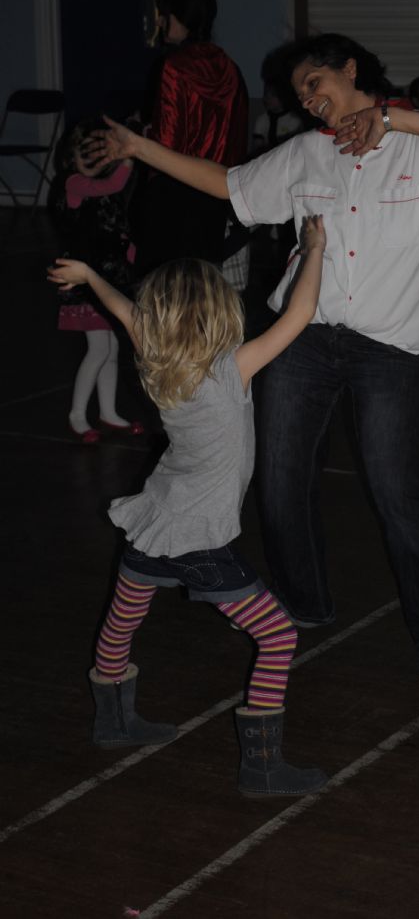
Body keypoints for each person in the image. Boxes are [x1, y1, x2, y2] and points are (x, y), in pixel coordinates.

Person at [87, 32, 419, 680]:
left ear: (351, 69)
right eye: (301, 92)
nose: (309, 100)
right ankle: (301, 602)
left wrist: (390, 117)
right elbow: (229, 184)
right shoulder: (309, 153)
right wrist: (139, 147)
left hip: (396, 342)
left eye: (315, 83)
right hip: (305, 334)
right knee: (278, 477)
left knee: (397, 485)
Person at [47, 217, 328, 797]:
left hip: (153, 520)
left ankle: (114, 721)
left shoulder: (153, 354)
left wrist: (91, 276)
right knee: (277, 637)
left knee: (124, 617)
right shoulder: (229, 371)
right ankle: (263, 766)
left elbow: (124, 309)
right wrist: (316, 250)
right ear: (220, 314)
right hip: (197, 536)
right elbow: (299, 316)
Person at [134, 0, 249, 276]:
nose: (160, 21)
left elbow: (166, 143)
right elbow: (237, 137)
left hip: (173, 189)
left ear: (180, 17)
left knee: (163, 285)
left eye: (165, 13)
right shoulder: (229, 67)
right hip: (215, 189)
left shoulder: (173, 66)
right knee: (202, 280)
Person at [49, 119, 144, 444]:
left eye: (97, 156)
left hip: (106, 280)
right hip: (83, 285)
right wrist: (131, 157)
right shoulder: (73, 183)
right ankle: (77, 414)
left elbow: (115, 227)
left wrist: (130, 254)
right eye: (85, 155)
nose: (92, 163)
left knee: (111, 348)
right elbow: (109, 186)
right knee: (99, 348)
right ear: (70, 158)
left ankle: (107, 412)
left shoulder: (99, 189)